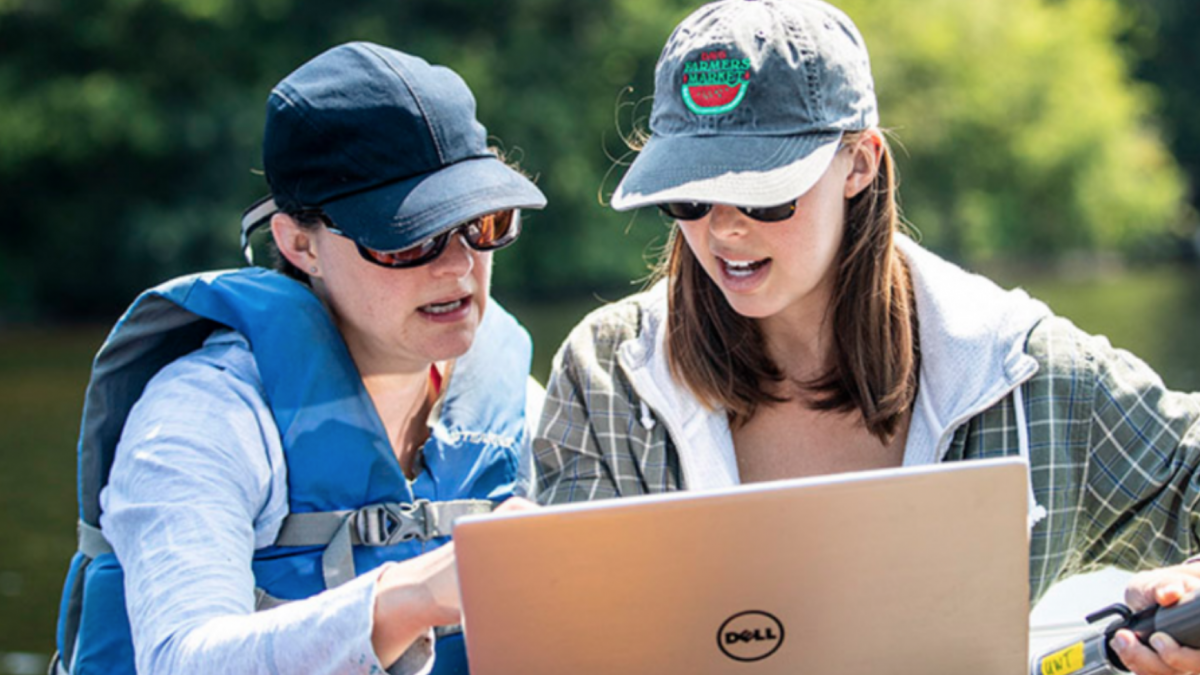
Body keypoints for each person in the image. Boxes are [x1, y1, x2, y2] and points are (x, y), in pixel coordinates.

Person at [532, 1, 1200, 673]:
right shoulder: (607, 378)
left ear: (860, 162)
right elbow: (558, 644)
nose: (724, 229)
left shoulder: (1028, 372)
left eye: (765, 194)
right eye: (689, 198)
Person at [52, 41, 545, 675]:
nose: (458, 267)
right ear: (299, 244)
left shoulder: (522, 408)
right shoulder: (201, 418)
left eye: (484, 223)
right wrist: (414, 598)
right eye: (407, 240)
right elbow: (180, 659)